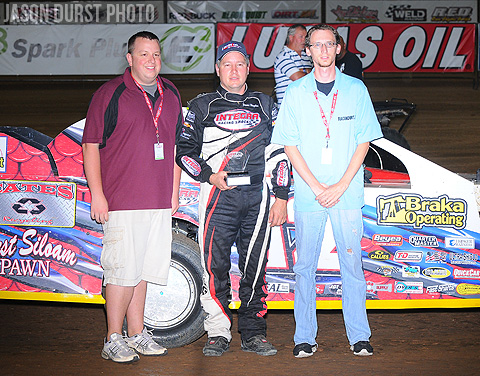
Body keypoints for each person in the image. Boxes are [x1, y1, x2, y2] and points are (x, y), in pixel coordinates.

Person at [272, 24, 382, 358]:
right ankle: (304, 337)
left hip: (346, 193)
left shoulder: (356, 89)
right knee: (304, 267)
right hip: (309, 194)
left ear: (338, 49)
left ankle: (359, 335)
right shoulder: (296, 92)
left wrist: (340, 185)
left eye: (328, 44)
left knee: (352, 265)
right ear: (307, 50)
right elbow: (290, 146)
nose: (322, 50)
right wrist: (319, 187)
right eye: (316, 45)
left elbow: (364, 142)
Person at [176, 41, 291, 357]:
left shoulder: (266, 104)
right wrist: (210, 176)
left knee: (255, 268)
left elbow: (283, 151)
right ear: (217, 69)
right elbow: (183, 154)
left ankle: (254, 333)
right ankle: (217, 332)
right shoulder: (201, 106)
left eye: (240, 64)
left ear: (248, 69)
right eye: (227, 64)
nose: (234, 70)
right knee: (216, 268)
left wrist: (281, 196)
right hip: (217, 197)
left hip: (258, 197)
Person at [82, 31, 183, 363]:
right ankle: (113, 337)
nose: (151, 61)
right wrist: (98, 194)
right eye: (143, 54)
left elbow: (176, 148)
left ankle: (137, 333)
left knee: (143, 271)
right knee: (121, 271)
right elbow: (91, 145)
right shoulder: (110, 93)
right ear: (130, 59)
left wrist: (173, 192)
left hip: (157, 200)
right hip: (121, 200)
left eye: (155, 54)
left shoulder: (171, 93)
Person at [274, 24, 313, 105]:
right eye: (301, 37)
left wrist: (304, 71)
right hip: (288, 107)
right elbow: (298, 78)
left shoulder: (307, 55)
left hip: (305, 105)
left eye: (305, 37)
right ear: (291, 37)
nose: (304, 40)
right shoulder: (283, 56)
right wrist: (311, 71)